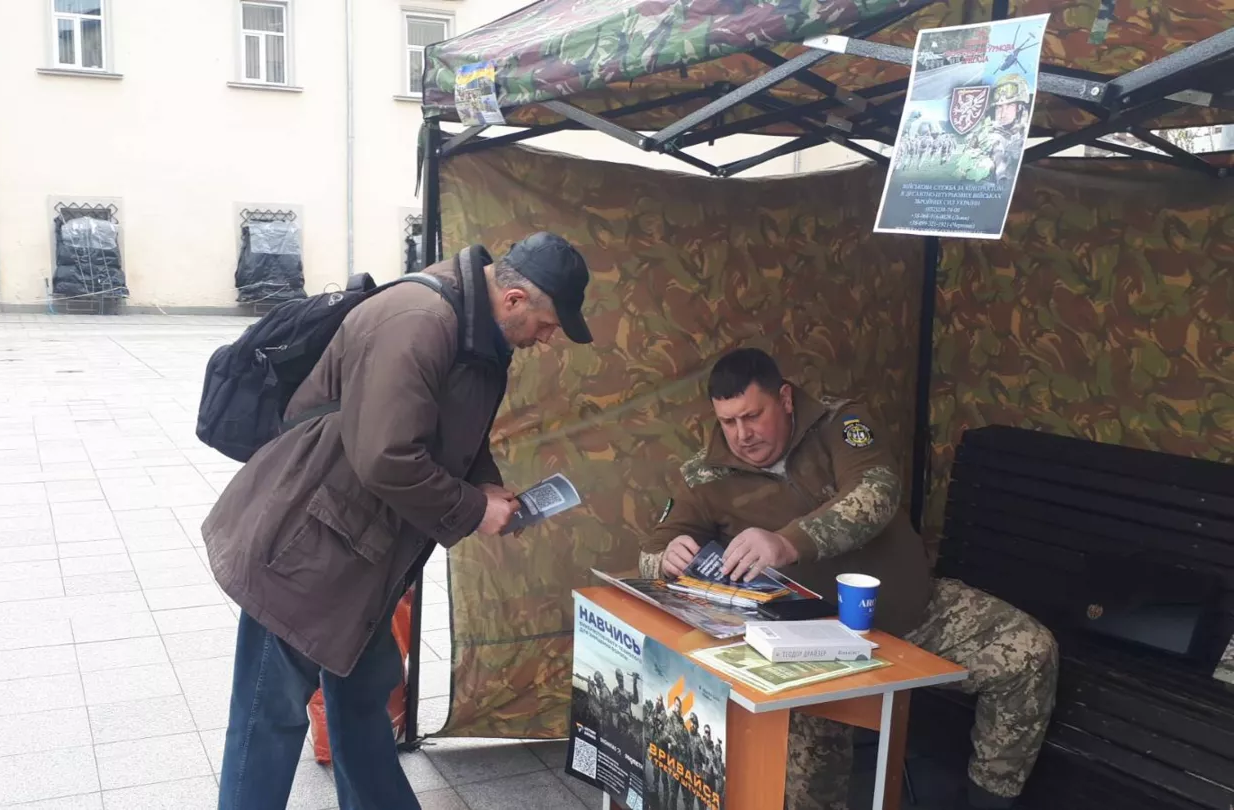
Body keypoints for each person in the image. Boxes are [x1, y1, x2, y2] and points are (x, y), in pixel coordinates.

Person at [203, 232, 595, 810]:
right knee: (269, 717)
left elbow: (452, 429)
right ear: (513, 299)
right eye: (549, 324)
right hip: (303, 548)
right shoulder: (420, 320)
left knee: (363, 703)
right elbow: (387, 457)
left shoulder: (475, 333)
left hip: (363, 551)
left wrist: (483, 481)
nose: (548, 338)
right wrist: (473, 509)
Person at [640, 348, 1058, 810]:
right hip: (806, 647)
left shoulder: (840, 424)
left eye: (752, 416)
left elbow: (876, 494)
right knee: (803, 769)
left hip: (909, 613)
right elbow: (654, 550)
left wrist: (787, 542)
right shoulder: (705, 475)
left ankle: (988, 801)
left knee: (1031, 652)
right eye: (727, 422)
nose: (742, 435)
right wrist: (666, 560)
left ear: (785, 398)